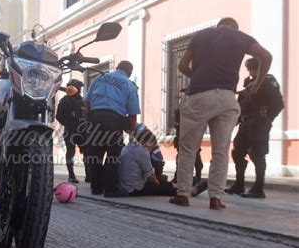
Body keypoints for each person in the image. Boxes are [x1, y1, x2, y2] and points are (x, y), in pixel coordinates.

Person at [173, 17, 272, 210]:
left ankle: (183, 194)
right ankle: (216, 198)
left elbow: (182, 65)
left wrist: (198, 76)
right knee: (221, 151)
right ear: (235, 27)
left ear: (218, 25)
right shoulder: (242, 37)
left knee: (188, 149)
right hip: (227, 97)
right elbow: (266, 57)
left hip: (199, 95)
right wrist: (256, 84)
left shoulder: (201, 35)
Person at [225, 57, 284, 198]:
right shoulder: (248, 83)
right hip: (246, 122)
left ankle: (258, 188)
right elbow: (241, 105)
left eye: (254, 68)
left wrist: (267, 119)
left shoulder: (268, 80)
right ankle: (239, 185)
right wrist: (236, 120)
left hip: (260, 121)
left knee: (257, 154)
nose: (252, 72)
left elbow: (278, 104)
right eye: (250, 69)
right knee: (237, 152)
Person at [84, 60, 140, 198]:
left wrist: (90, 118)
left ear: (117, 68)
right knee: (113, 155)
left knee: (95, 154)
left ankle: (96, 188)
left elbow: (87, 102)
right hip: (114, 120)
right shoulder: (129, 85)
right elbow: (132, 115)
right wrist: (132, 133)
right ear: (129, 72)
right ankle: (110, 189)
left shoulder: (100, 78)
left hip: (95, 117)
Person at [118, 127, 208, 197]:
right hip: (134, 188)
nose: (150, 150)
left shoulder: (127, 147)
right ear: (145, 142)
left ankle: (184, 188)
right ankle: (191, 191)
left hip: (124, 186)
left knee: (166, 184)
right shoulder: (142, 151)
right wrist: (161, 186)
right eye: (150, 147)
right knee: (166, 188)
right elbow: (151, 178)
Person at [56, 79, 90, 183]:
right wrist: (67, 123)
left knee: (87, 153)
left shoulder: (82, 101)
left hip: (83, 131)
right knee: (71, 152)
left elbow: (87, 115)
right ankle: (71, 175)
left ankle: (88, 175)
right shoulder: (65, 101)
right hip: (70, 130)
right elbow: (58, 116)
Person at [172, 88, 203, 185]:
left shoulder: (195, 103)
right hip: (182, 132)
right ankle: (179, 177)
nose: (185, 94)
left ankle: (197, 178)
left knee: (196, 158)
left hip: (191, 132)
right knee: (182, 156)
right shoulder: (184, 102)